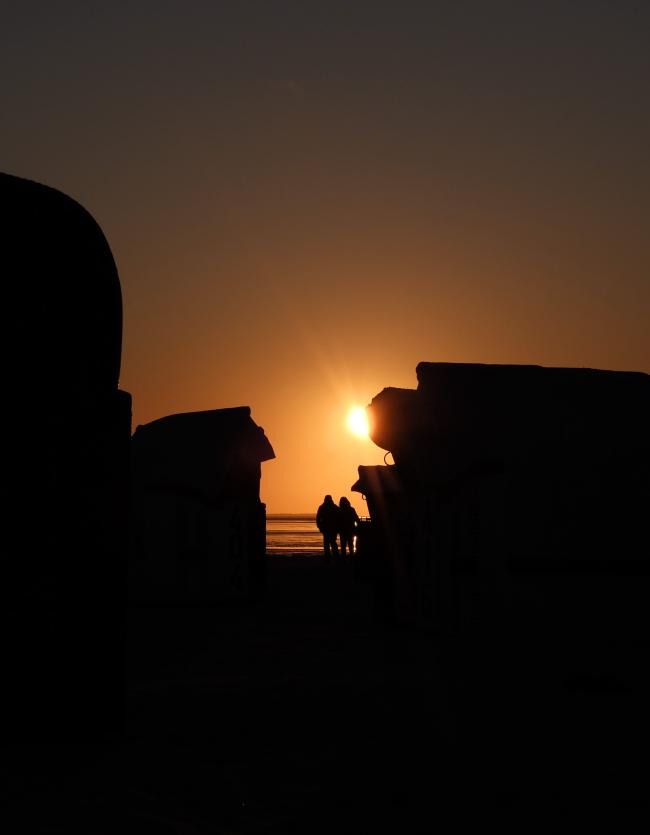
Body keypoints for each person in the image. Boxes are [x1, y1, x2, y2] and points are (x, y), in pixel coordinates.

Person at [316, 495, 340, 559]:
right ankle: (335, 556)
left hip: (326, 528)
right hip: (332, 528)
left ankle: (328, 556)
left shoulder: (322, 507)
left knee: (327, 543)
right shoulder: (335, 507)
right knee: (332, 543)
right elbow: (339, 518)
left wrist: (320, 527)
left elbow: (318, 518)